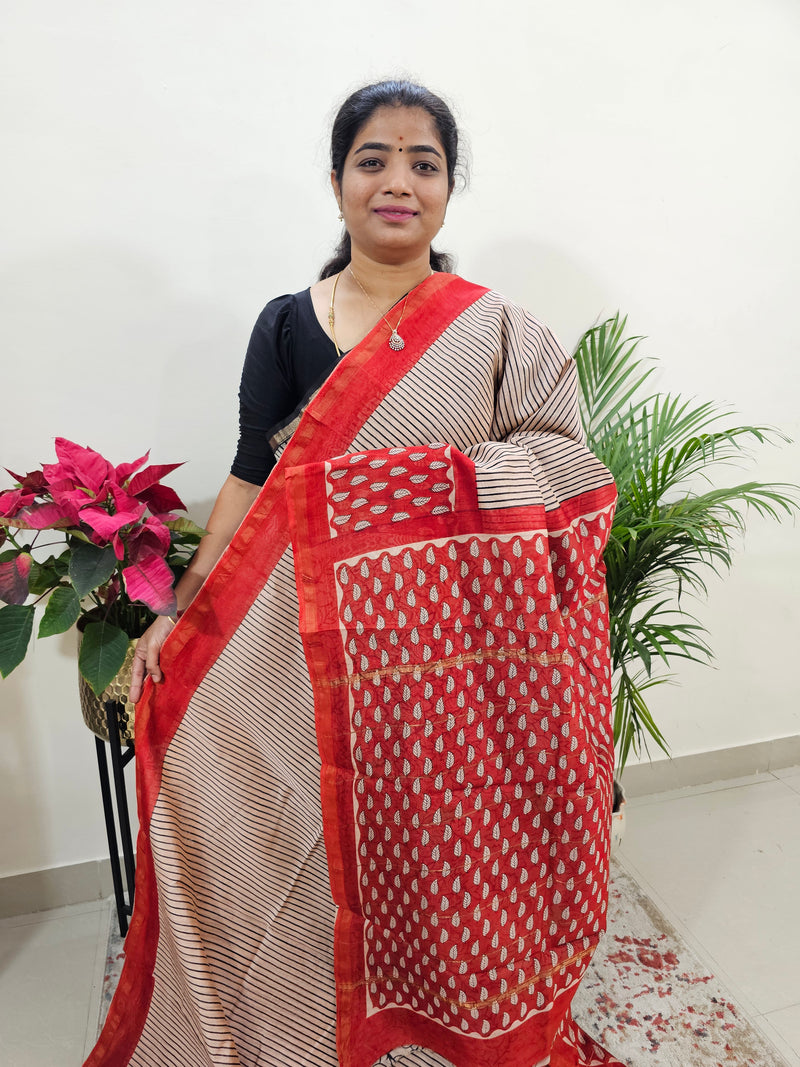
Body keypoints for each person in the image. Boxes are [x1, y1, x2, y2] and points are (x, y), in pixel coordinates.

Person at [90, 80, 623, 1067]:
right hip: (307, 639)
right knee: (308, 825)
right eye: (372, 158)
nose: (396, 181)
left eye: (422, 162)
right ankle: (297, 1010)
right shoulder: (287, 323)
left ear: (450, 187)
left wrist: (407, 487)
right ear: (336, 180)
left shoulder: (497, 327)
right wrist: (188, 609)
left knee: (440, 848)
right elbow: (254, 475)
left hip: (446, 662)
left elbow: (567, 470)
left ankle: (455, 1004)